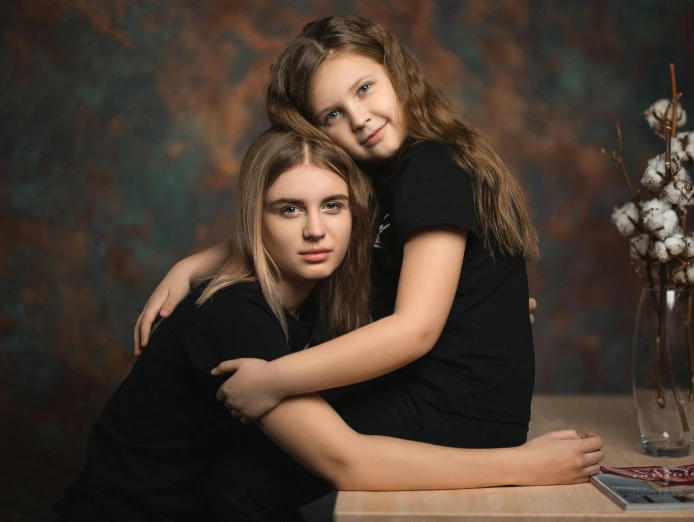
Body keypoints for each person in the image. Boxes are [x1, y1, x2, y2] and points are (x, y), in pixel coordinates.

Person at [56, 128, 603, 522]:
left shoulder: (325, 296)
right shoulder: (234, 315)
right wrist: (525, 465)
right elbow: (348, 460)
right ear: (257, 218)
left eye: (333, 205)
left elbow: (433, 309)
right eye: (289, 209)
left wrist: (493, 316)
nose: (316, 230)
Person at [137, 11, 582, 475]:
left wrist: (274, 379)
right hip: (431, 389)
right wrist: (191, 267)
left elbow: (416, 329)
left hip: (462, 411)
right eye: (333, 115)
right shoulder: (381, 179)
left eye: (364, 88)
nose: (360, 119)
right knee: (254, 449)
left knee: (255, 468)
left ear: (395, 72)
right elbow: (284, 223)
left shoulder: (432, 168)